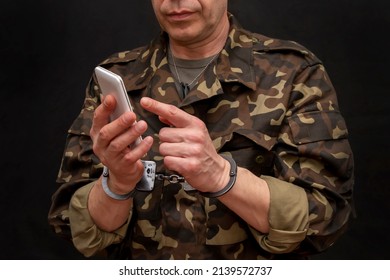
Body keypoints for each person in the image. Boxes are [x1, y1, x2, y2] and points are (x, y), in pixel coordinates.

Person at [48, 0, 354, 259]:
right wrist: (117, 185)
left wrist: (223, 177)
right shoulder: (117, 79)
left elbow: (324, 217)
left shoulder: (294, 74)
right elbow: (72, 223)